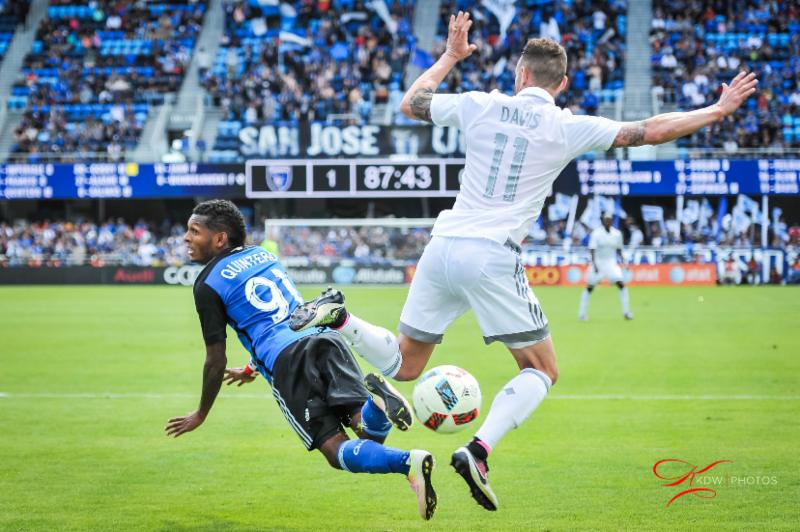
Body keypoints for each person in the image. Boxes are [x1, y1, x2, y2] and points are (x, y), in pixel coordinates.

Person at [290, 11, 758, 512]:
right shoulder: (566, 125)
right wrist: (715, 110)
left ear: (519, 75)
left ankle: (342, 318)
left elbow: (412, 103)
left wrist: (451, 54)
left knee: (405, 364)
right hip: (491, 254)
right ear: (562, 82)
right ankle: (478, 450)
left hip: (443, 243)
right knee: (542, 369)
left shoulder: (480, 105)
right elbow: (646, 130)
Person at [164, 200, 437, 520]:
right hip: (323, 337)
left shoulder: (207, 283)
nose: (186, 238)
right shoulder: (262, 254)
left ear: (220, 239)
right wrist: (252, 366)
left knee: (335, 450)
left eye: (194, 231)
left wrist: (201, 412)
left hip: (286, 361)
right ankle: (378, 409)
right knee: (367, 433)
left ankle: (408, 461)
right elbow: (274, 314)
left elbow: (215, 359)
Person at [578, 212, 633, 321]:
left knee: (621, 284)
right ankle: (582, 314)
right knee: (589, 288)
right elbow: (592, 249)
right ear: (603, 221)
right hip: (599, 263)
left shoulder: (617, 234)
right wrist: (594, 265)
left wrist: (624, 263)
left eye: (609, 219)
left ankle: (627, 312)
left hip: (611, 263)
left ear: (612, 221)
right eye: (605, 219)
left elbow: (619, 250)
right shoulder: (597, 233)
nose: (607, 221)